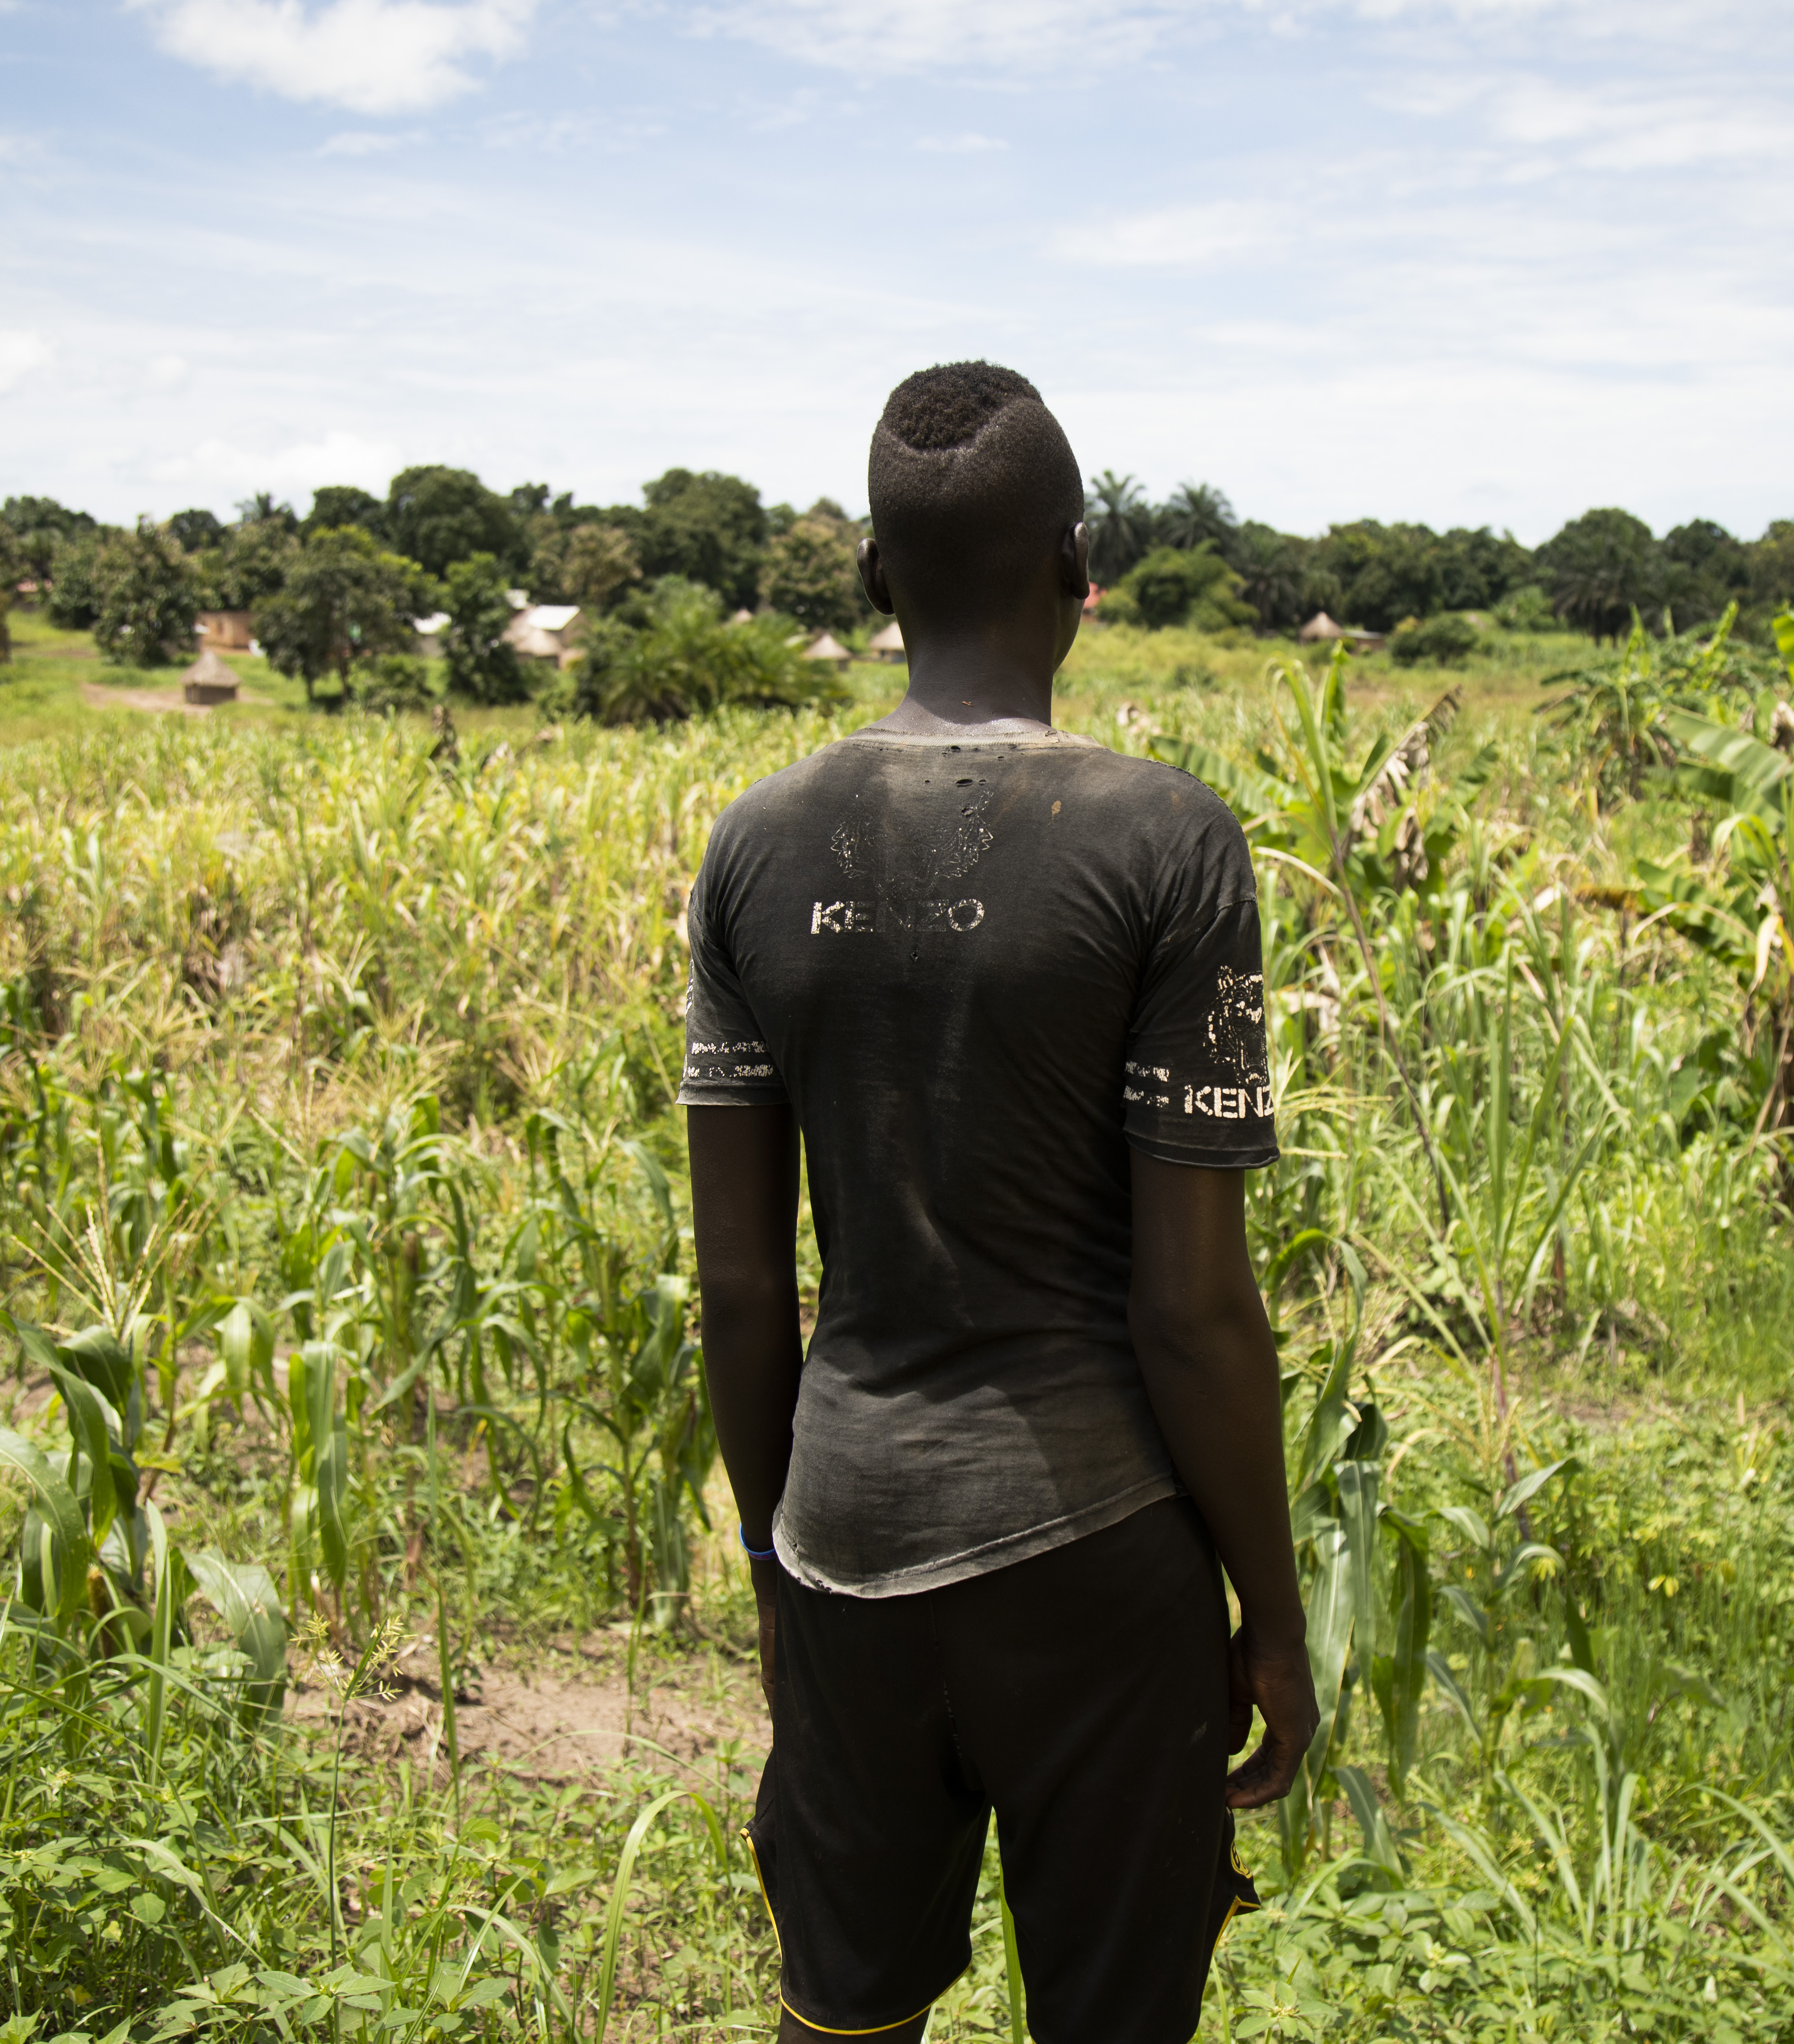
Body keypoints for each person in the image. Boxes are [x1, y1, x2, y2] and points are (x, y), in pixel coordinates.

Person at [681, 360, 1319, 2044]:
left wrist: (772, 1557)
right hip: (1101, 1567)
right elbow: (1190, 1310)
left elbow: (742, 1291)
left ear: (878, 583)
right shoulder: (1171, 846)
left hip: (844, 1533)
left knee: (850, 2015)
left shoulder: (754, 850)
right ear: (1078, 565)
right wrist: (1271, 1611)